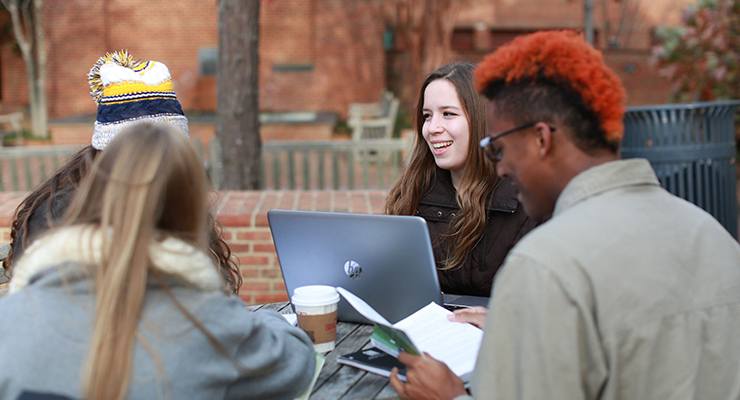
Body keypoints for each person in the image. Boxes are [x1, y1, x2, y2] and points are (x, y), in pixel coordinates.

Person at [389, 30, 740, 400]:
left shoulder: (544, 265)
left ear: (542, 139)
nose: (501, 168)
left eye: (499, 148)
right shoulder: (713, 235)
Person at [0, 123, 316, 400]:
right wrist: (259, 322)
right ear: (193, 210)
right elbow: (298, 363)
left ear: (93, 191)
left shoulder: (11, 317)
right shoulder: (209, 327)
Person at [3, 51, 241, 294]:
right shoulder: (58, 213)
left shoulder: (169, 197)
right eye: (146, 155)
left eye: (169, 155)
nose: (161, 167)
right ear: (111, 154)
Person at [384, 63, 541, 296]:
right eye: (427, 116)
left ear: (482, 120)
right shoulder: (413, 192)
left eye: (448, 114)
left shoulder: (530, 200)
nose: (433, 128)